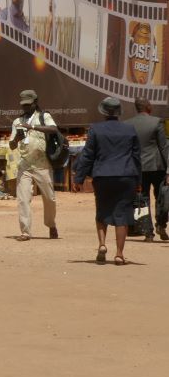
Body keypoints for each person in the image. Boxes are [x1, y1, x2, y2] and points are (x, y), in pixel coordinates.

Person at [75, 96, 142, 265]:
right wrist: (139, 181)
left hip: (102, 177)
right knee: (122, 215)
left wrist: (79, 178)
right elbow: (136, 158)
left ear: (103, 112)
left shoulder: (95, 129)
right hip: (127, 176)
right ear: (119, 113)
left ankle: (102, 245)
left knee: (102, 212)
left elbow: (88, 156)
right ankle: (119, 254)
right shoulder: (130, 129)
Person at [9, 89, 60, 240]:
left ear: (35, 103)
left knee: (49, 198)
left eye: (28, 105)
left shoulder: (44, 117)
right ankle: (25, 231)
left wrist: (33, 127)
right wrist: (16, 139)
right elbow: (11, 145)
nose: (25, 108)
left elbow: (54, 129)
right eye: (23, 105)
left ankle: (51, 224)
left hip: (42, 164)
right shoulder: (17, 122)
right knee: (23, 198)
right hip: (25, 165)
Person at [130, 97, 168, 241]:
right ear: (148, 107)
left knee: (142, 198)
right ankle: (161, 225)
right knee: (161, 197)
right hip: (157, 166)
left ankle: (148, 232)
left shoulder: (128, 124)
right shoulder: (157, 122)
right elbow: (163, 147)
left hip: (138, 167)